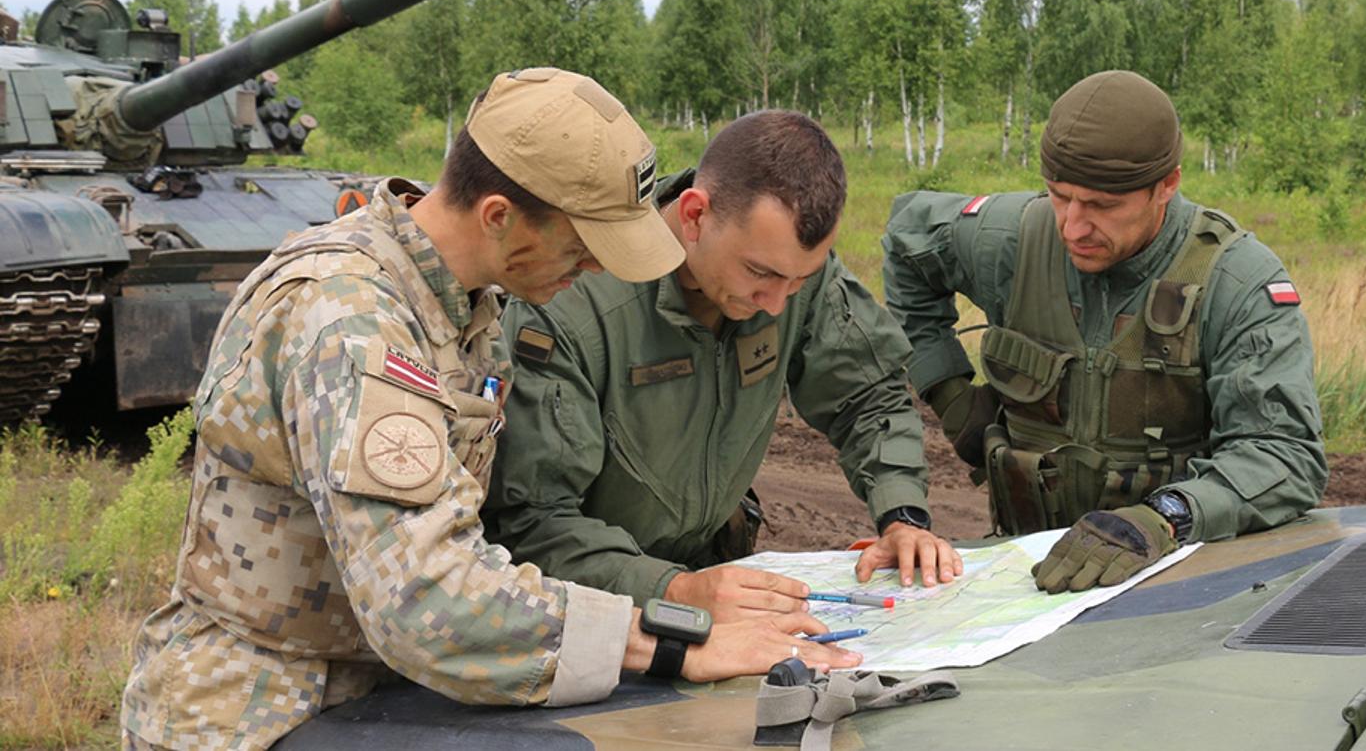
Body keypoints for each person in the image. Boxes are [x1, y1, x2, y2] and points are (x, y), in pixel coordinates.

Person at [121, 69, 857, 751]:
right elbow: (427, 598)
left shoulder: (463, 309)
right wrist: (673, 641)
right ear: (500, 215)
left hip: (389, 691)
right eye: (585, 243)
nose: (598, 268)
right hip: (265, 707)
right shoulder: (351, 319)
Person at [484, 109, 960, 624]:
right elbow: (535, 524)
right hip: (595, 606)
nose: (777, 304)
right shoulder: (572, 304)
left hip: (714, 577)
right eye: (760, 272)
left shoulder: (790, 270)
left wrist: (902, 516)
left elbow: (868, 395)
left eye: (799, 281)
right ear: (694, 216)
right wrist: (678, 590)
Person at [881, 70, 1328, 594]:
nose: (1072, 226)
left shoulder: (1234, 283)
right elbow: (906, 239)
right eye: (1059, 195)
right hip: (1026, 582)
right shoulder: (1011, 240)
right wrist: (953, 397)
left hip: (1177, 586)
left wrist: (1166, 517)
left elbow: (1285, 455)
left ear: (1167, 185)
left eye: (1102, 206)